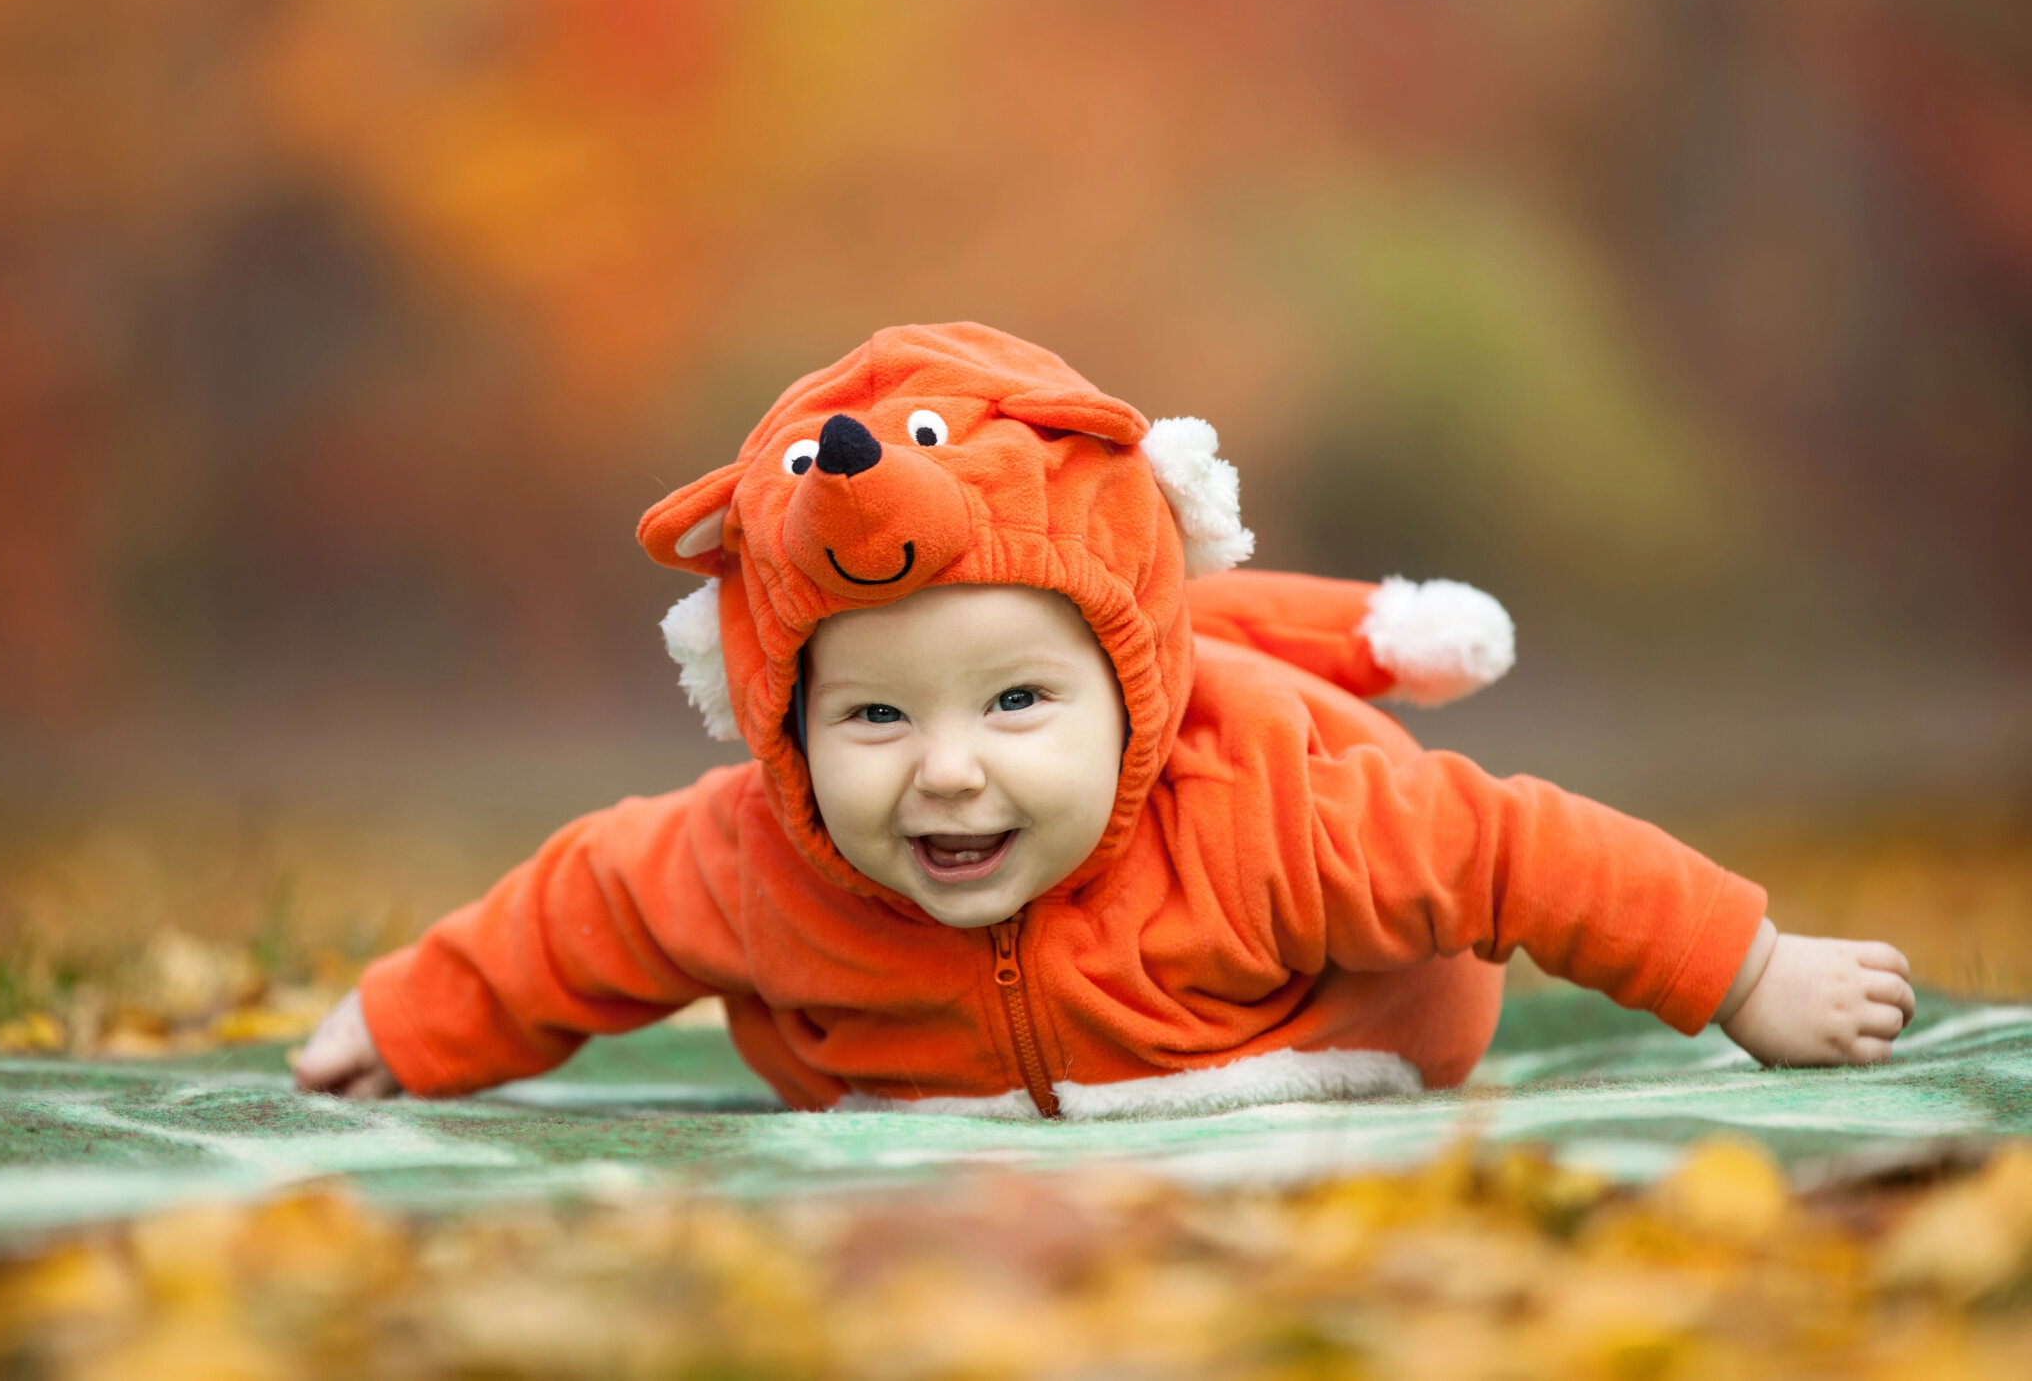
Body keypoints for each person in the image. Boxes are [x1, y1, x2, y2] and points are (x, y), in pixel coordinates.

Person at [294, 323, 1916, 1117]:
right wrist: (406, 1019)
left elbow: (1521, 853)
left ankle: (1311, 635)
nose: (948, 770)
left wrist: (1751, 973)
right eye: (868, 716)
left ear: (1124, 697)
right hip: (918, 1092)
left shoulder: (1275, 805)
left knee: (1315, 731)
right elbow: (580, 913)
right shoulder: (756, 863)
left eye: (1016, 701)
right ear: (776, 728)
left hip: (1311, 1034)